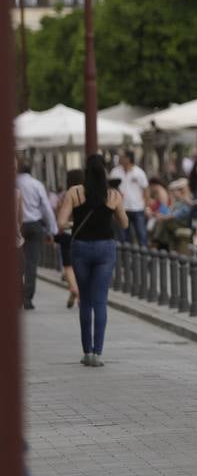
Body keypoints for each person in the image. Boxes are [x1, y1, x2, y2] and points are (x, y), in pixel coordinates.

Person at [56, 154, 129, 366]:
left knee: (85, 301)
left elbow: (61, 222)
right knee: (101, 301)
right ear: (104, 172)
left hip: (80, 248)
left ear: (86, 171)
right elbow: (124, 224)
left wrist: (74, 224)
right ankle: (98, 353)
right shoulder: (113, 195)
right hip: (105, 248)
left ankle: (86, 352)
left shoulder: (75, 192)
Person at [17, 159, 58, 309]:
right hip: (34, 225)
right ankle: (27, 298)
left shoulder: (12, 183)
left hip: (15, 226)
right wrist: (52, 229)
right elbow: (46, 207)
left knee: (15, 262)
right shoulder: (36, 184)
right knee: (31, 263)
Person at [54, 168, 83, 308]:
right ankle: (77, 290)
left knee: (68, 264)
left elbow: (58, 215)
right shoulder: (86, 194)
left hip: (66, 233)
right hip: (82, 233)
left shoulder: (64, 195)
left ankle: (74, 290)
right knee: (80, 264)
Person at [109, 150, 149, 247]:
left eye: (122, 157)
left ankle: (144, 257)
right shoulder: (115, 172)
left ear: (128, 158)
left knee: (141, 234)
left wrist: (145, 206)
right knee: (123, 236)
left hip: (137, 208)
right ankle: (126, 259)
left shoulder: (139, 172)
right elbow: (110, 188)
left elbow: (146, 190)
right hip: (122, 208)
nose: (119, 159)